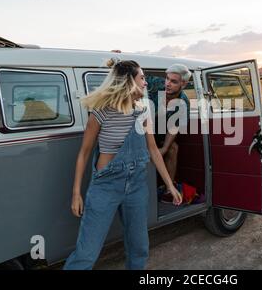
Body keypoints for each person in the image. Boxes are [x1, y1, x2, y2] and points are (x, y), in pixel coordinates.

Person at [63, 59, 182, 270]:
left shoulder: (143, 112)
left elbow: (153, 150)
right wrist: (76, 193)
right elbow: (84, 153)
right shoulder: (100, 112)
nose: (146, 83)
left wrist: (170, 185)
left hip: (136, 184)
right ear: (129, 82)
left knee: (139, 248)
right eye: (142, 78)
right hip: (106, 185)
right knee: (86, 254)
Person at [146, 64, 191, 184]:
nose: (168, 84)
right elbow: (133, 77)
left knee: (173, 148)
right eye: (167, 79)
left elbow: (174, 127)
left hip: (158, 132)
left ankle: (168, 189)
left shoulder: (183, 102)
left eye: (173, 81)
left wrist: (164, 149)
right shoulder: (154, 83)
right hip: (141, 129)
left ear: (184, 84)